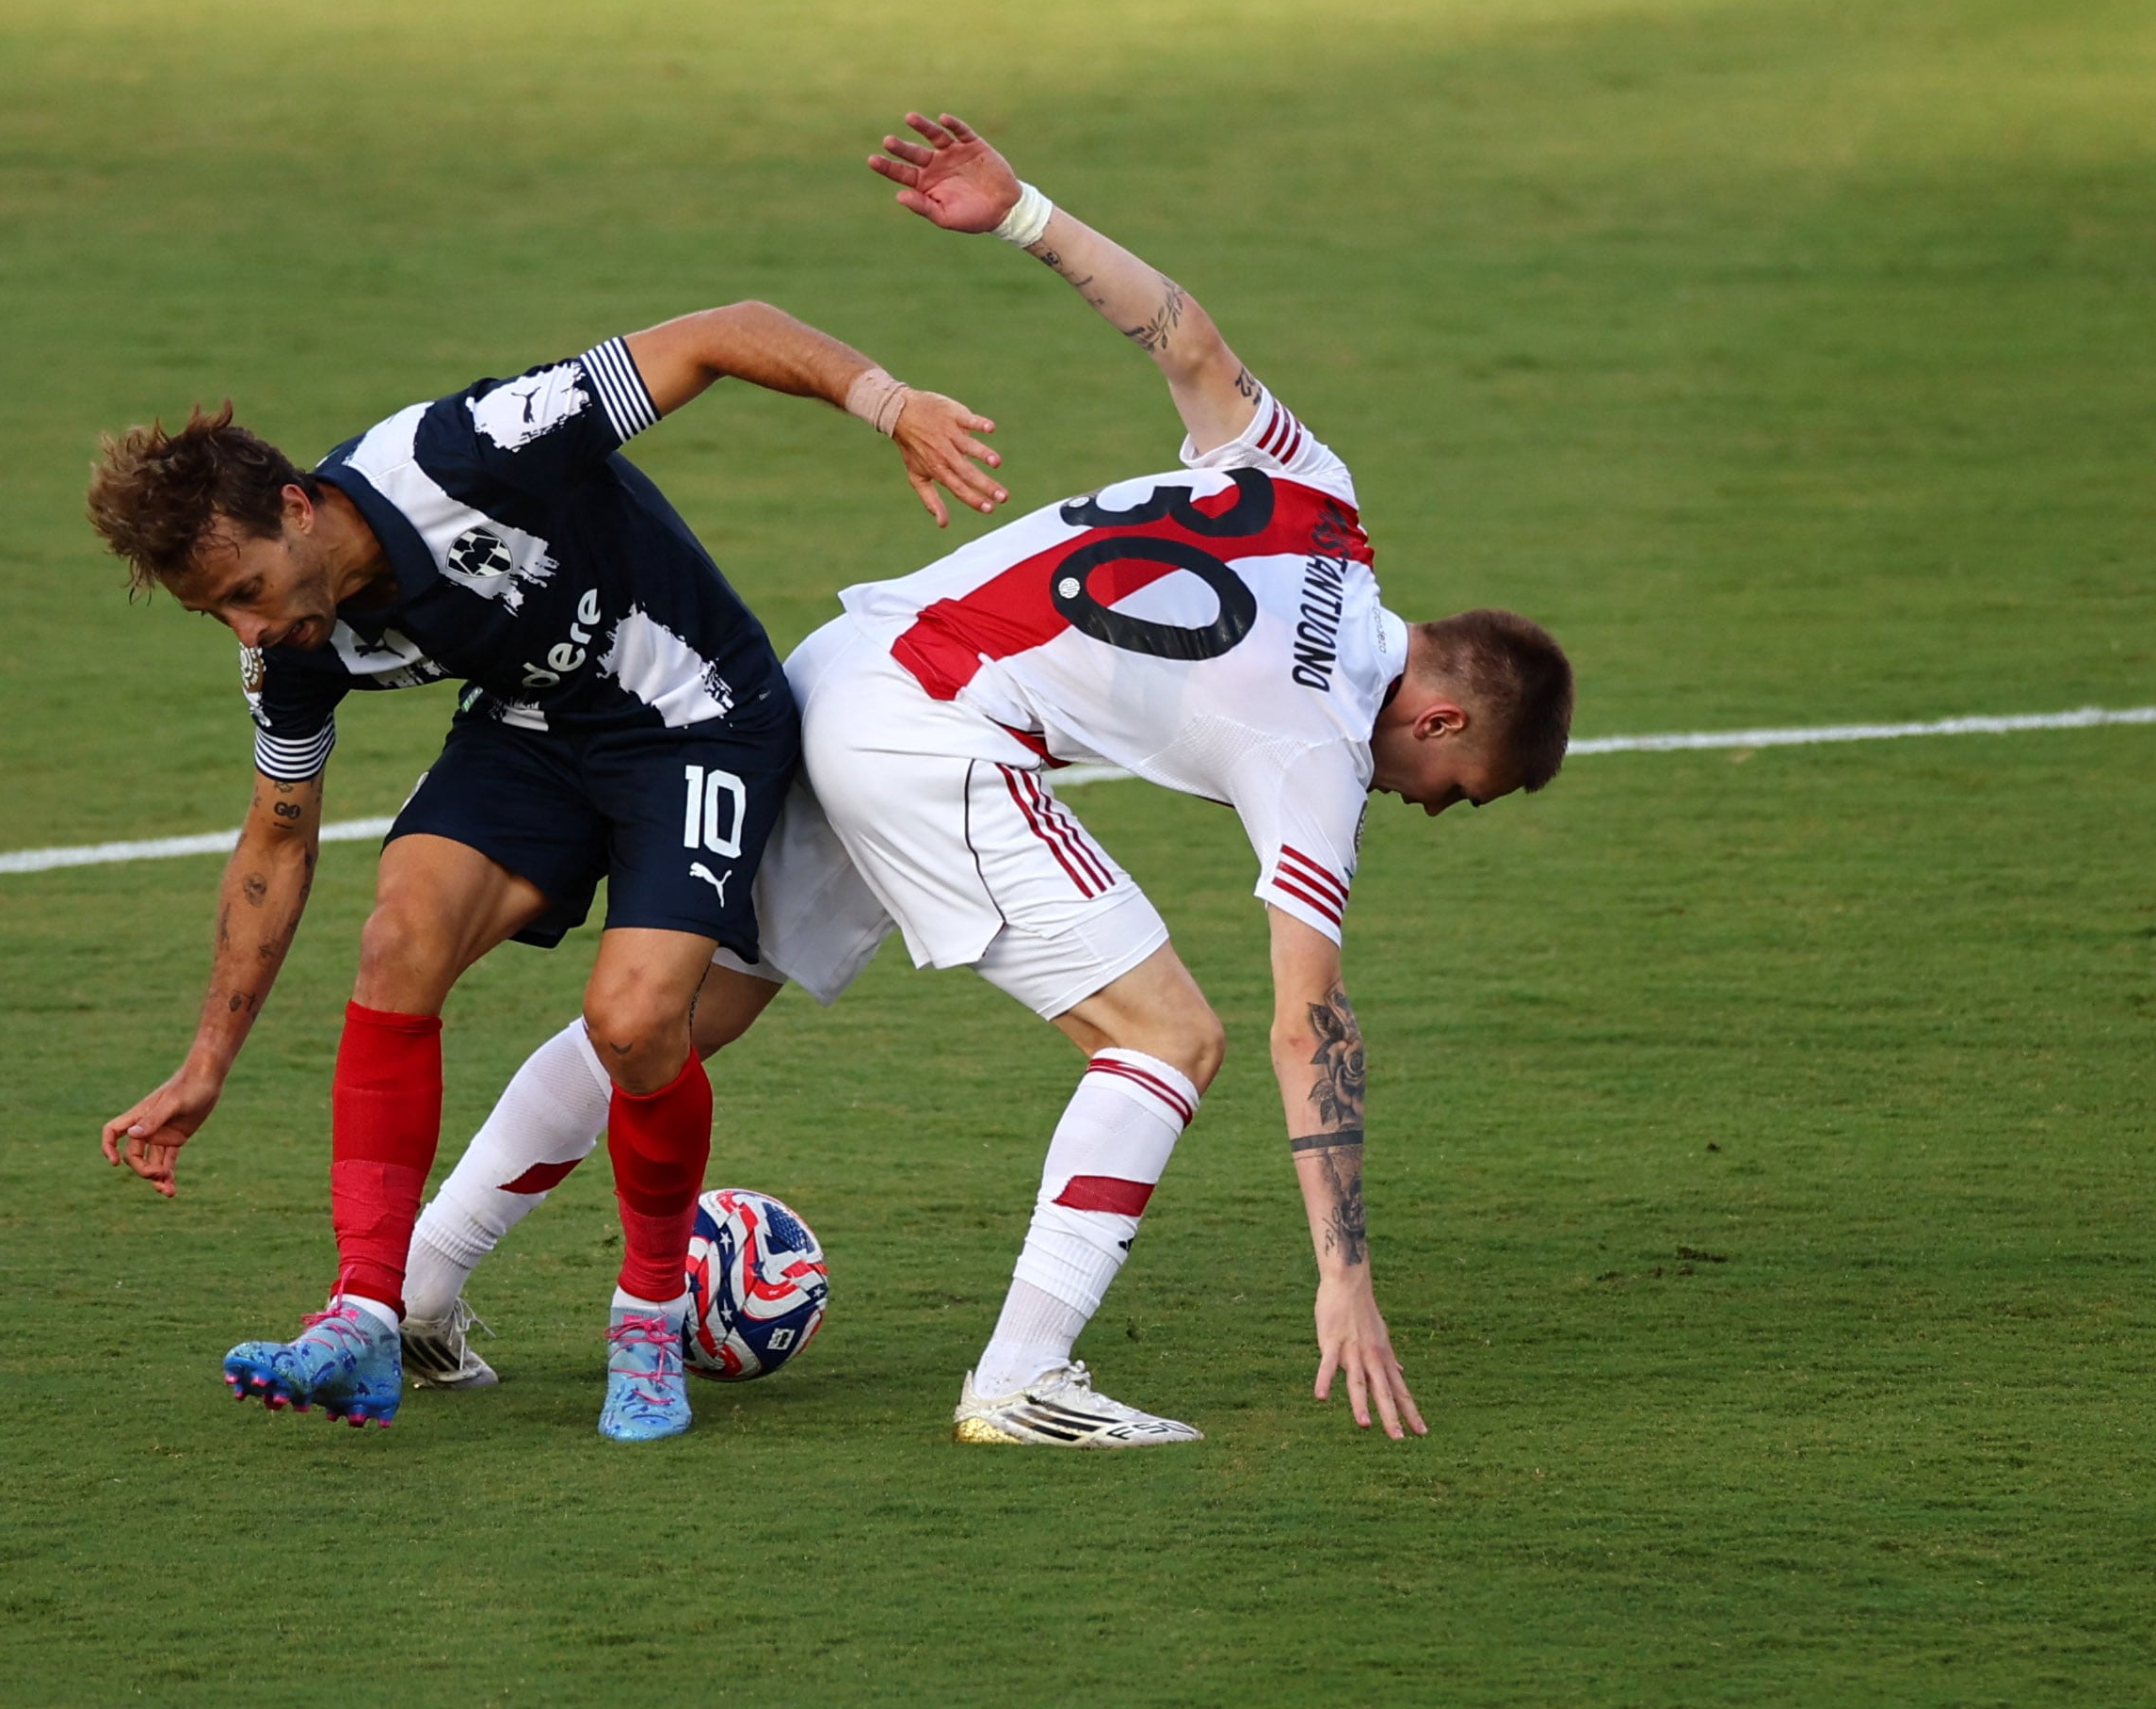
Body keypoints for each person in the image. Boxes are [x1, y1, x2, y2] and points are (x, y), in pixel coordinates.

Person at [402, 113, 1574, 1447]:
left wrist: (1024, 214)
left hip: (843, 667)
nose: (1428, 809)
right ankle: (1024, 1379)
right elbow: (1310, 1027)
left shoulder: (1320, 500)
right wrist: (1345, 1279)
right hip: (934, 739)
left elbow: (1181, 337)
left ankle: (422, 1286)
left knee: (684, 1017)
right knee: (1167, 1038)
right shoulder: (1319, 743)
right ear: (1435, 717)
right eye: (1457, 786)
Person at [86, 299, 1007, 1442]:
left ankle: (647, 1318)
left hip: (693, 719)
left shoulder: (461, 453)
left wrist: (891, 402)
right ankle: (365, 1314)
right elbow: (276, 840)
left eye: (245, 590)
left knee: (631, 1023)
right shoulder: (295, 652)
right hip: (530, 730)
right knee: (395, 939)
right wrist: (205, 1063)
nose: (246, 630)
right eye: (213, 613)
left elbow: (721, 331)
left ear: (295, 506)